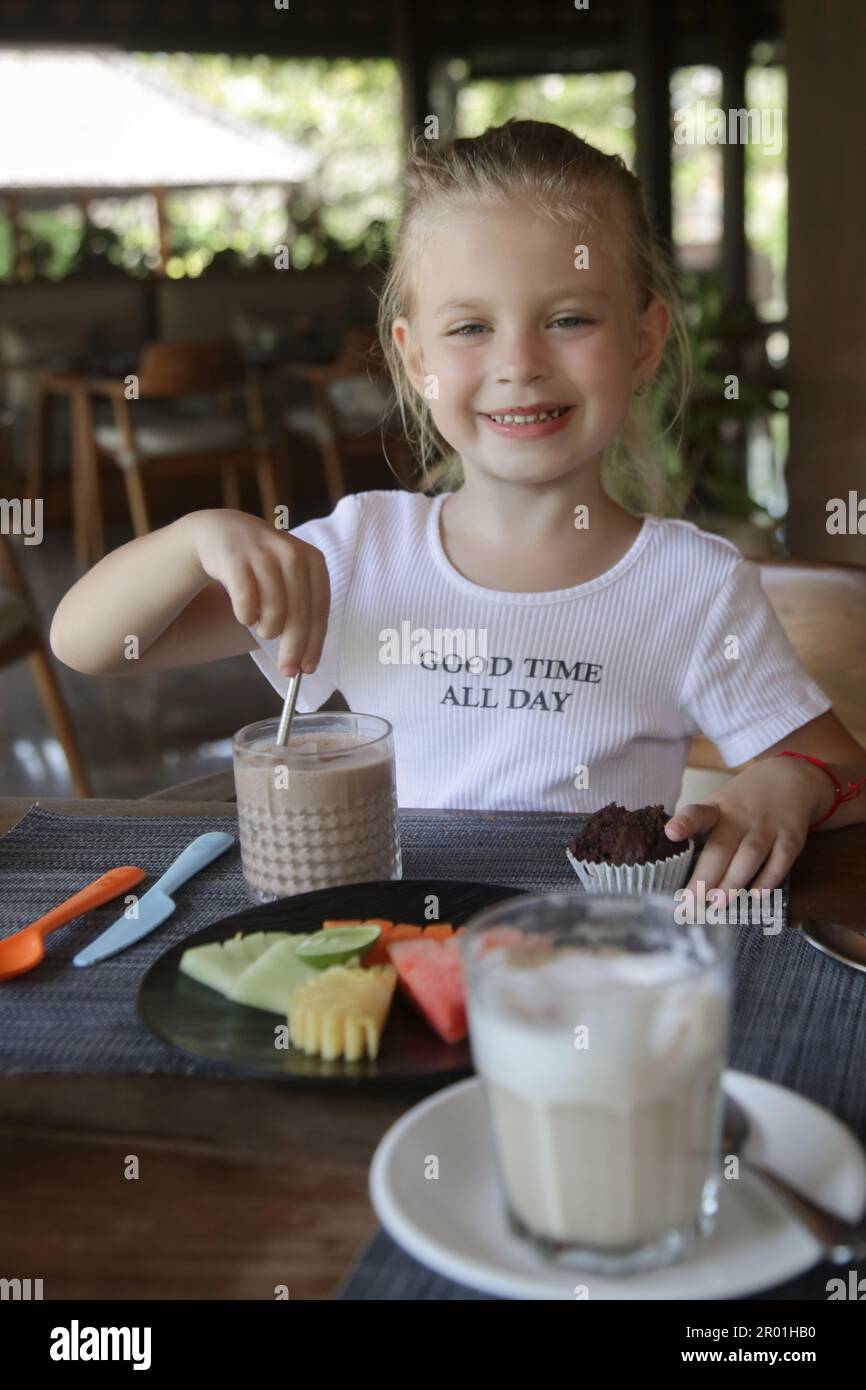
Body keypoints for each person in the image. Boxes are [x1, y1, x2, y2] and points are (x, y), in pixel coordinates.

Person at [50, 120, 866, 894]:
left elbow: (842, 770)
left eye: (570, 319)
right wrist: (194, 539)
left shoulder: (694, 585)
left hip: (587, 972)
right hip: (394, 961)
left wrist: (784, 789)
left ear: (643, 344)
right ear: (414, 361)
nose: (519, 363)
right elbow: (90, 643)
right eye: (472, 327)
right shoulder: (362, 555)